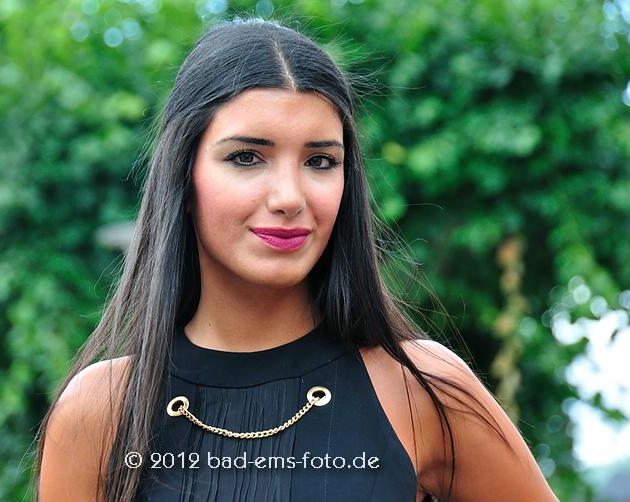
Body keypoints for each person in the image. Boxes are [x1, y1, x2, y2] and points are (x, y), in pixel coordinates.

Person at [35, 17, 559, 502]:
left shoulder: (420, 389)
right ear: (183, 175)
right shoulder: (100, 412)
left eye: (320, 160)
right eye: (247, 157)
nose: (290, 196)